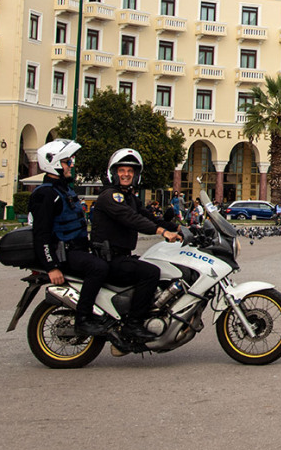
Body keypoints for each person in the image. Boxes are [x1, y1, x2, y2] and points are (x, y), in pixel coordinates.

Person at [90, 148, 182, 341]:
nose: (126, 174)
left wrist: (179, 228)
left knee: (158, 268)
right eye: (122, 170)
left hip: (121, 255)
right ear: (114, 172)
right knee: (150, 273)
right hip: (109, 258)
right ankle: (133, 325)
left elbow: (148, 217)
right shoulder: (110, 196)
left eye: (130, 171)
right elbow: (131, 219)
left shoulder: (129, 197)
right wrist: (162, 233)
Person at [29, 139, 109, 337]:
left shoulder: (63, 189)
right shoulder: (46, 194)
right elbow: (41, 233)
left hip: (75, 250)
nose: (71, 165)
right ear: (53, 163)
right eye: (67, 162)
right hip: (63, 254)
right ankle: (83, 319)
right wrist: (52, 267)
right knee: (98, 268)